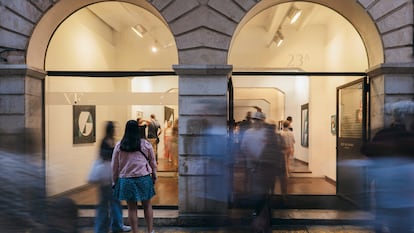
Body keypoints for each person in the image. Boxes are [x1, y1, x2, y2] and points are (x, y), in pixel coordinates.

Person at [360, 101, 414, 233]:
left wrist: (370, 178)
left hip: (385, 186)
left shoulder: (382, 134)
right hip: (406, 191)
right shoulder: (408, 136)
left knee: (380, 216)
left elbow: (367, 152)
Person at [240, 111, 285, 233]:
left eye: (259, 120)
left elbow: (274, 149)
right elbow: (244, 148)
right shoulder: (248, 133)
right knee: (257, 192)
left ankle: (262, 217)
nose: (257, 122)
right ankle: (260, 216)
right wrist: (252, 159)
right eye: (255, 120)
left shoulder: (266, 133)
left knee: (263, 192)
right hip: (254, 167)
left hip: (265, 168)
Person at [112, 120, 157, 233]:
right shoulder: (145, 144)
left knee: (132, 208)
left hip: (126, 179)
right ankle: (150, 231)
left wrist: (114, 180)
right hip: (143, 178)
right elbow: (153, 162)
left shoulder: (119, 145)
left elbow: (114, 165)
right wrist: (154, 175)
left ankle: (135, 231)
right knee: (147, 205)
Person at [95, 121, 131, 233]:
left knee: (108, 204)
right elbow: (108, 157)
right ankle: (113, 226)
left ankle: (109, 227)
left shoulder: (107, 142)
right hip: (108, 177)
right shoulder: (107, 142)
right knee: (112, 203)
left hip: (108, 177)